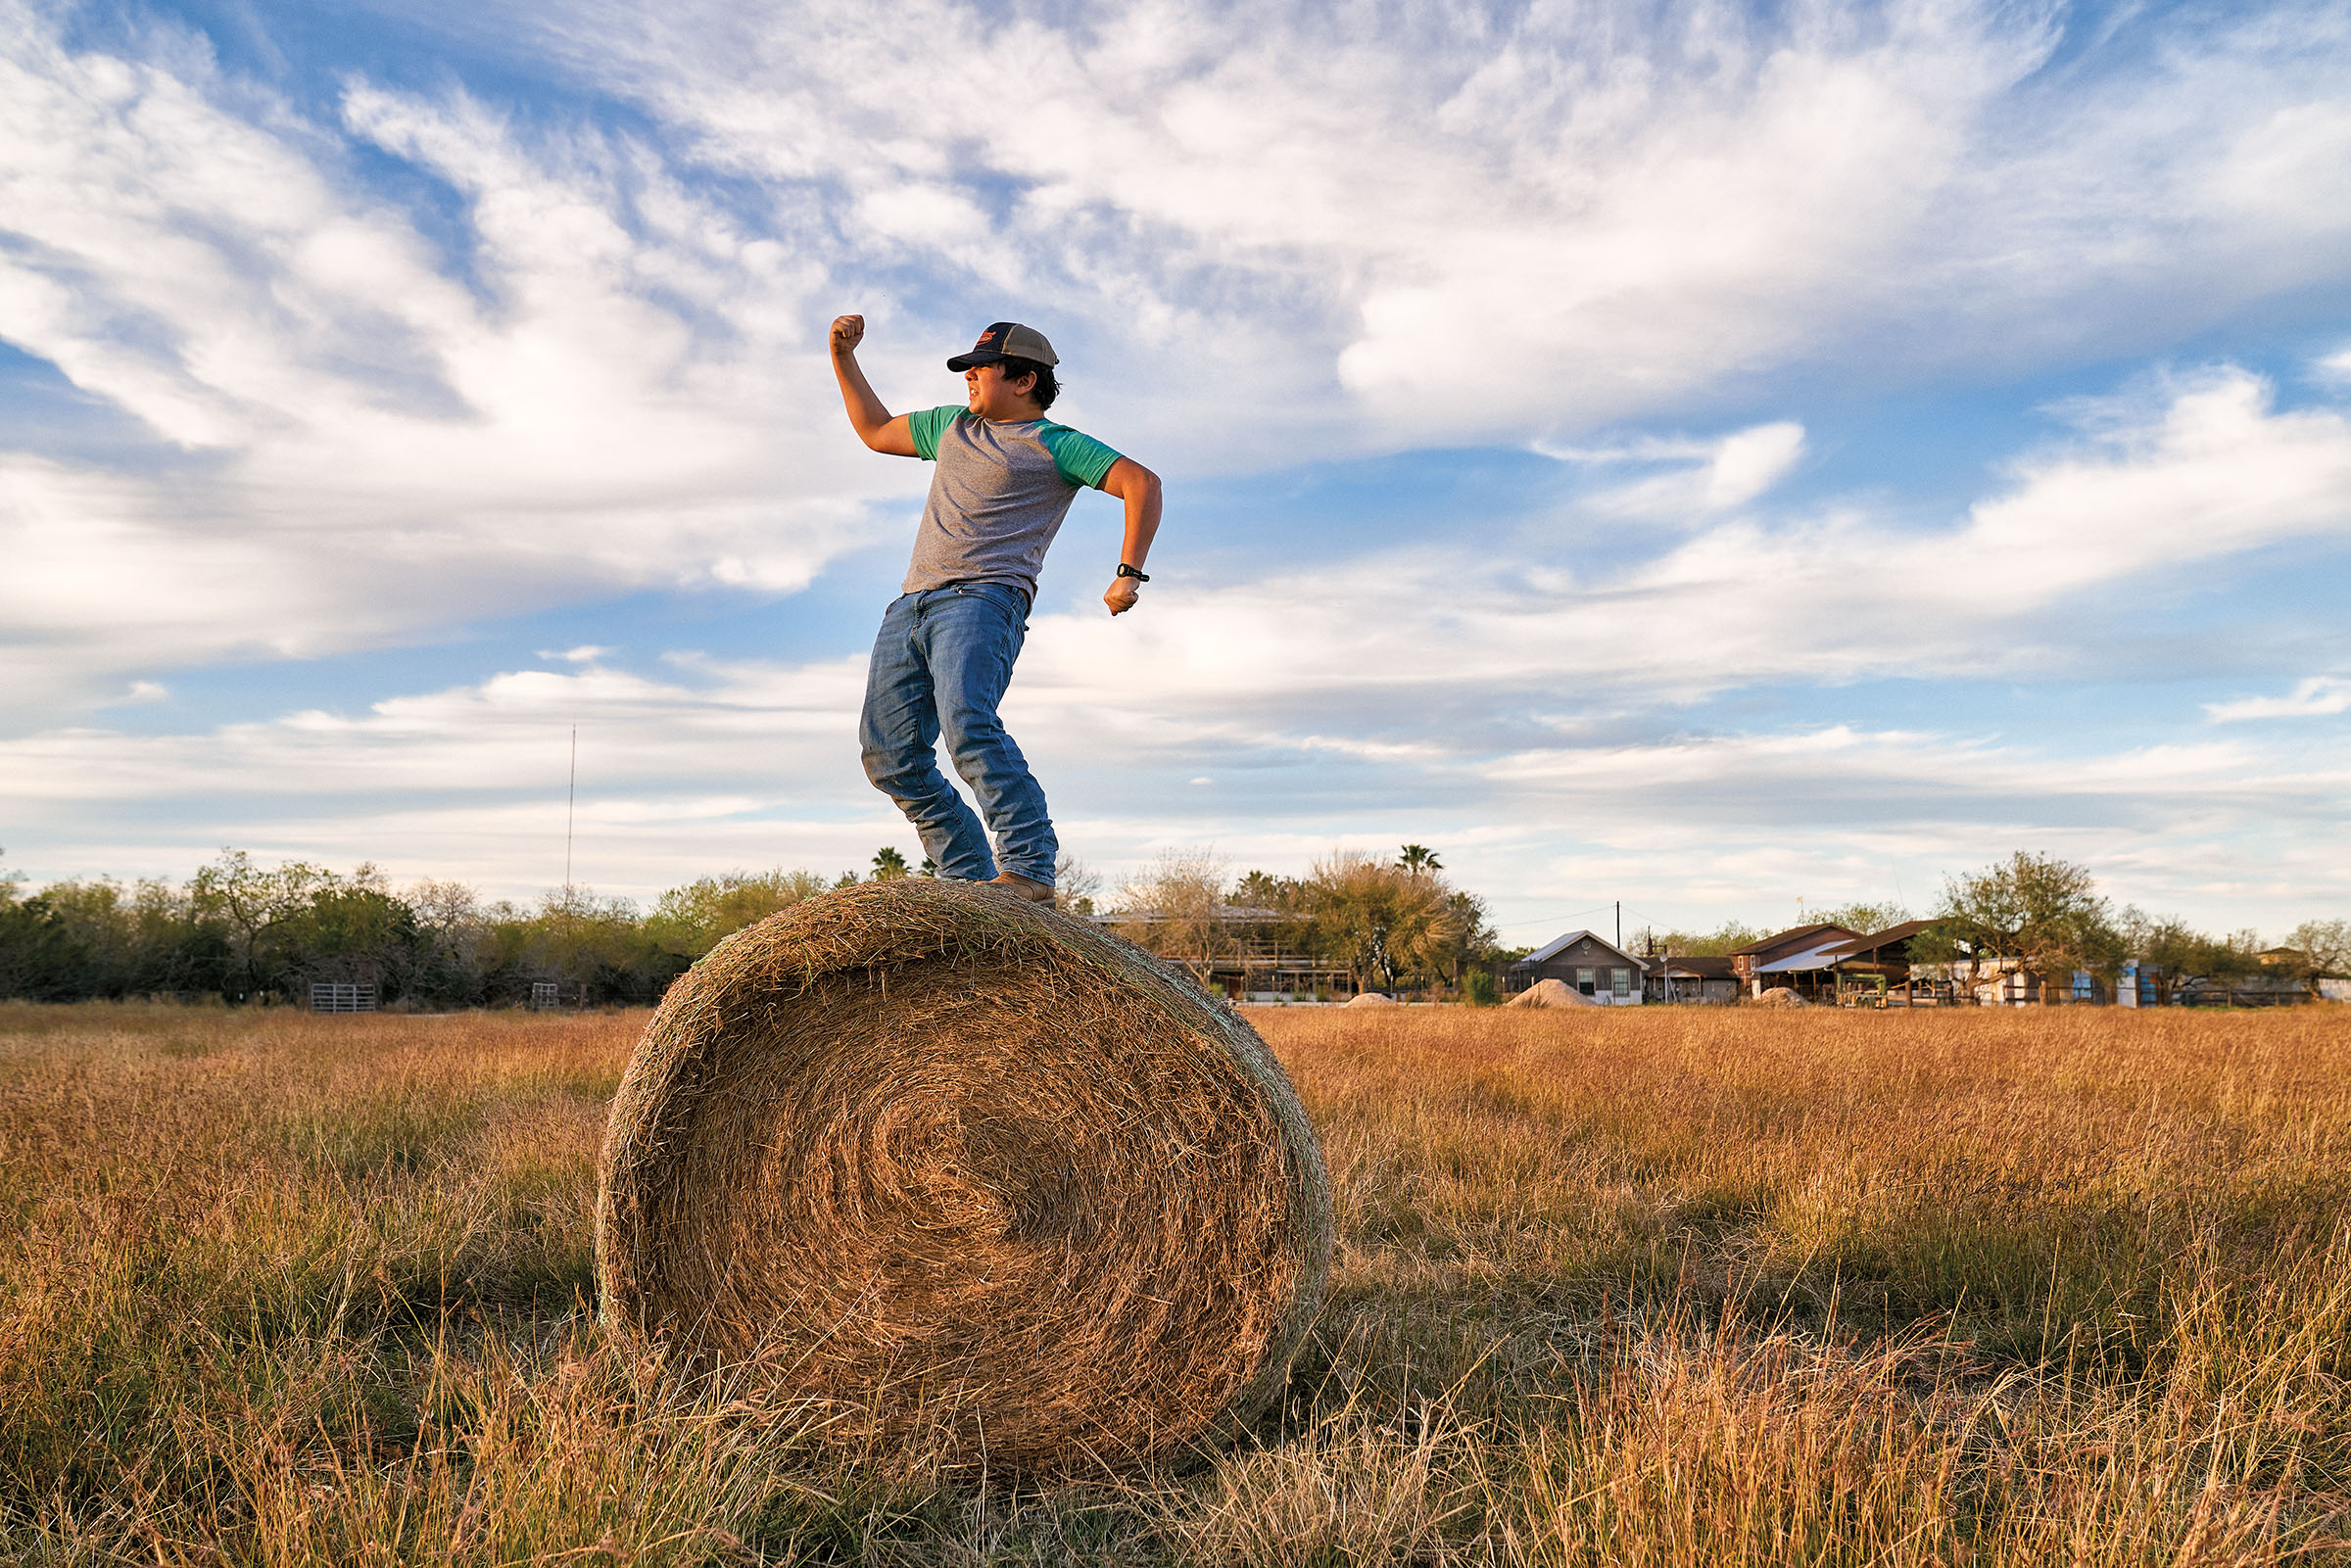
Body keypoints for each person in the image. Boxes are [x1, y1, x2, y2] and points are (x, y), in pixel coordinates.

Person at [829, 315, 1161, 904]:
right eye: (967, 370)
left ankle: (1029, 867)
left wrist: (1127, 573)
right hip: (910, 605)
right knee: (888, 755)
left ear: (1025, 379)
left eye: (980, 369)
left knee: (968, 728)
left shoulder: (1055, 444)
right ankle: (973, 886)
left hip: (983, 601)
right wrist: (842, 356)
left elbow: (1140, 481)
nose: (969, 379)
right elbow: (876, 430)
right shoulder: (952, 427)